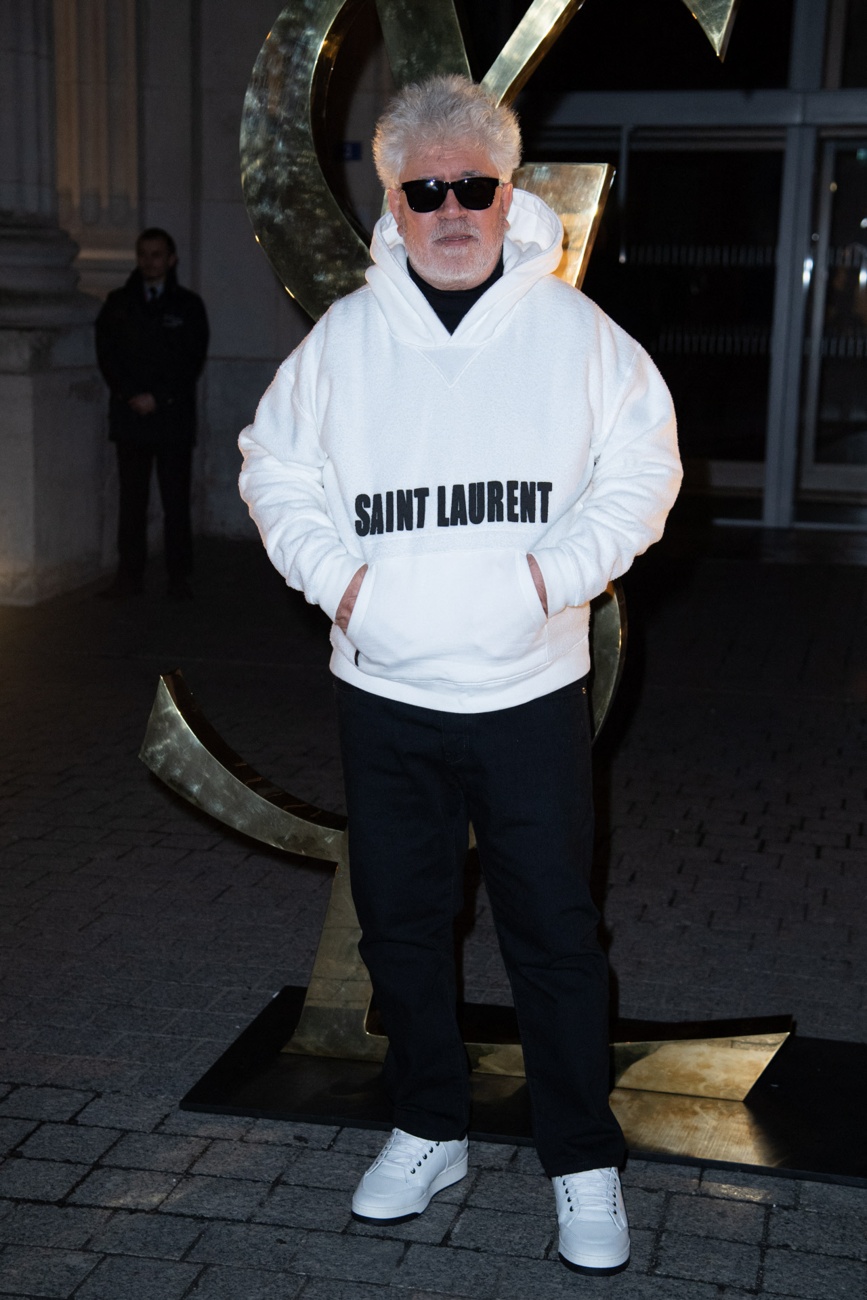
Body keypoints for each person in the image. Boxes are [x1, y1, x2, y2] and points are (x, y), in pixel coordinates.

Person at [239, 76, 681, 1277]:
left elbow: (643, 467)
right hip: (386, 694)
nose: (449, 209)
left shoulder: (572, 332)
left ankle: (582, 1159)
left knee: (551, 933)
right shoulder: (345, 339)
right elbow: (274, 472)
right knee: (402, 931)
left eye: (472, 186)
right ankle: (427, 1125)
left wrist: (557, 579)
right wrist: (346, 587)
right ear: (391, 194)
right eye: (422, 187)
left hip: (527, 694)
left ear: (507, 189)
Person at [96, 228, 209, 598]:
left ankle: (179, 578)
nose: (149, 261)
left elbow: (190, 360)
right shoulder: (117, 303)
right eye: (144, 254)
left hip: (172, 420)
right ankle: (129, 576)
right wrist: (131, 395)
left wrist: (158, 398)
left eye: (157, 254)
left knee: (176, 502)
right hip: (131, 420)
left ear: (171, 259)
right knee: (132, 502)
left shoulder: (188, 307)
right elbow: (107, 356)